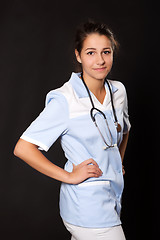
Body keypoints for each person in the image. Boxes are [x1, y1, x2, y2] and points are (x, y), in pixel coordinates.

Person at [14, 20, 131, 240]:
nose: (100, 60)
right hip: (86, 207)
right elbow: (23, 148)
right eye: (91, 53)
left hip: (112, 199)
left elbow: (123, 129)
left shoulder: (118, 92)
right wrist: (68, 176)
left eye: (106, 52)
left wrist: (117, 162)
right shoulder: (65, 99)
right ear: (78, 56)